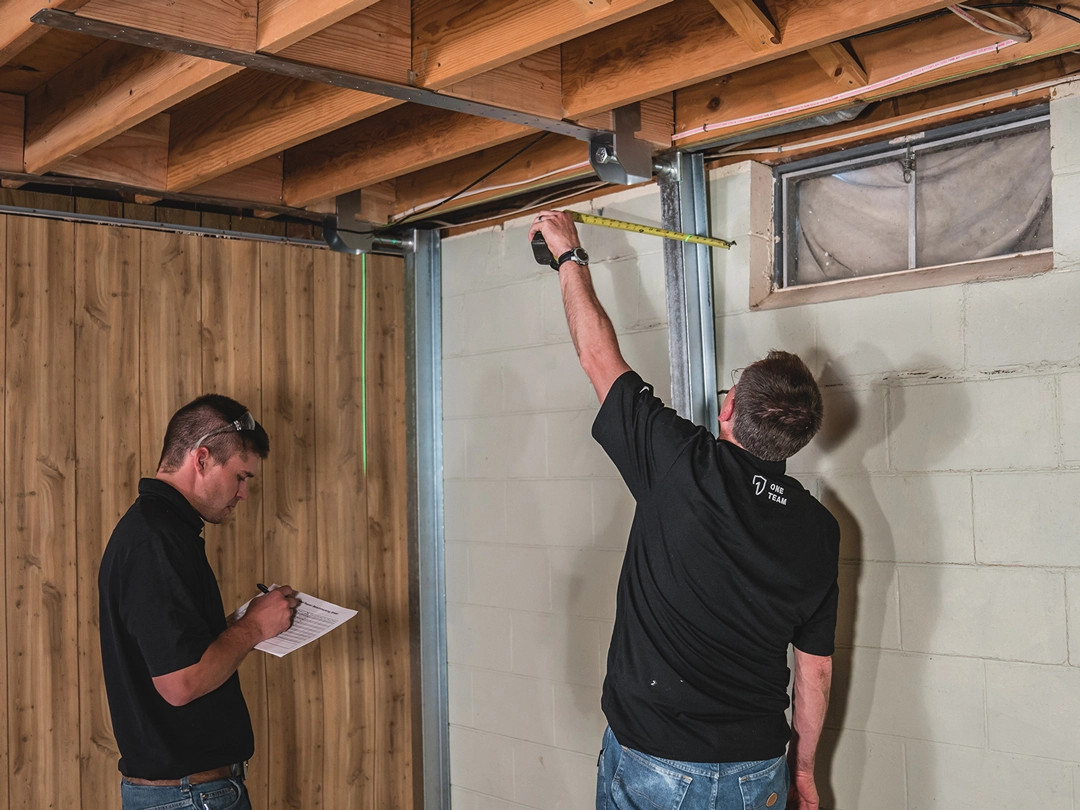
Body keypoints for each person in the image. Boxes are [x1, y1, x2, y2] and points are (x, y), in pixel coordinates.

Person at [528, 211, 839, 810]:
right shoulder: (821, 532)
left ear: (727, 414)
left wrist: (569, 257)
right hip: (760, 770)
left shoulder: (681, 463)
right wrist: (802, 772)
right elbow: (815, 671)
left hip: (657, 763)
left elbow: (599, 358)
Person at [98, 394, 300, 810]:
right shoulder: (157, 540)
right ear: (203, 459)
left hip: (186, 795)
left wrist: (235, 626)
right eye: (241, 477)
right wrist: (254, 628)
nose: (244, 494)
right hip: (188, 797)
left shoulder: (160, 531)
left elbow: (173, 653)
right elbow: (181, 683)